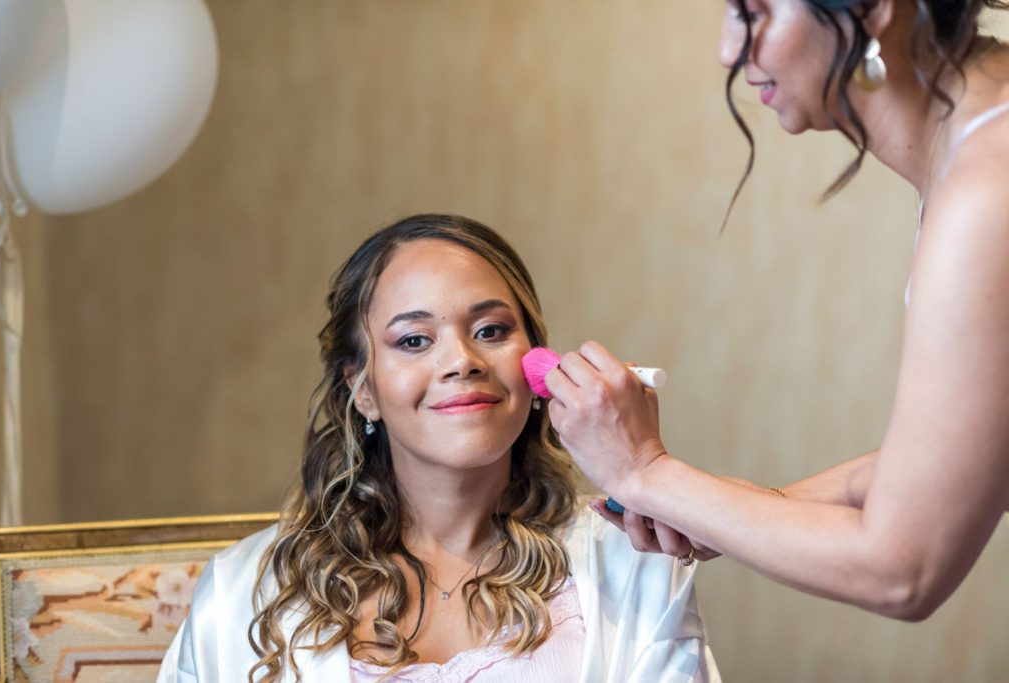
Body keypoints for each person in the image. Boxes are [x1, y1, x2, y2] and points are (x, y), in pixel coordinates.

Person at [545, 0, 1009, 622]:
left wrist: (644, 474)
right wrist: (761, 504)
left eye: (751, 11)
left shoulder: (988, 190)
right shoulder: (982, 127)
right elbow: (973, 455)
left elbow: (904, 570)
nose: (727, 50)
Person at [157, 214, 720, 682]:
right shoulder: (241, 590)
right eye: (414, 340)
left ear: (536, 367)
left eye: (492, 331)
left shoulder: (636, 565)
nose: (462, 360)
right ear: (363, 390)